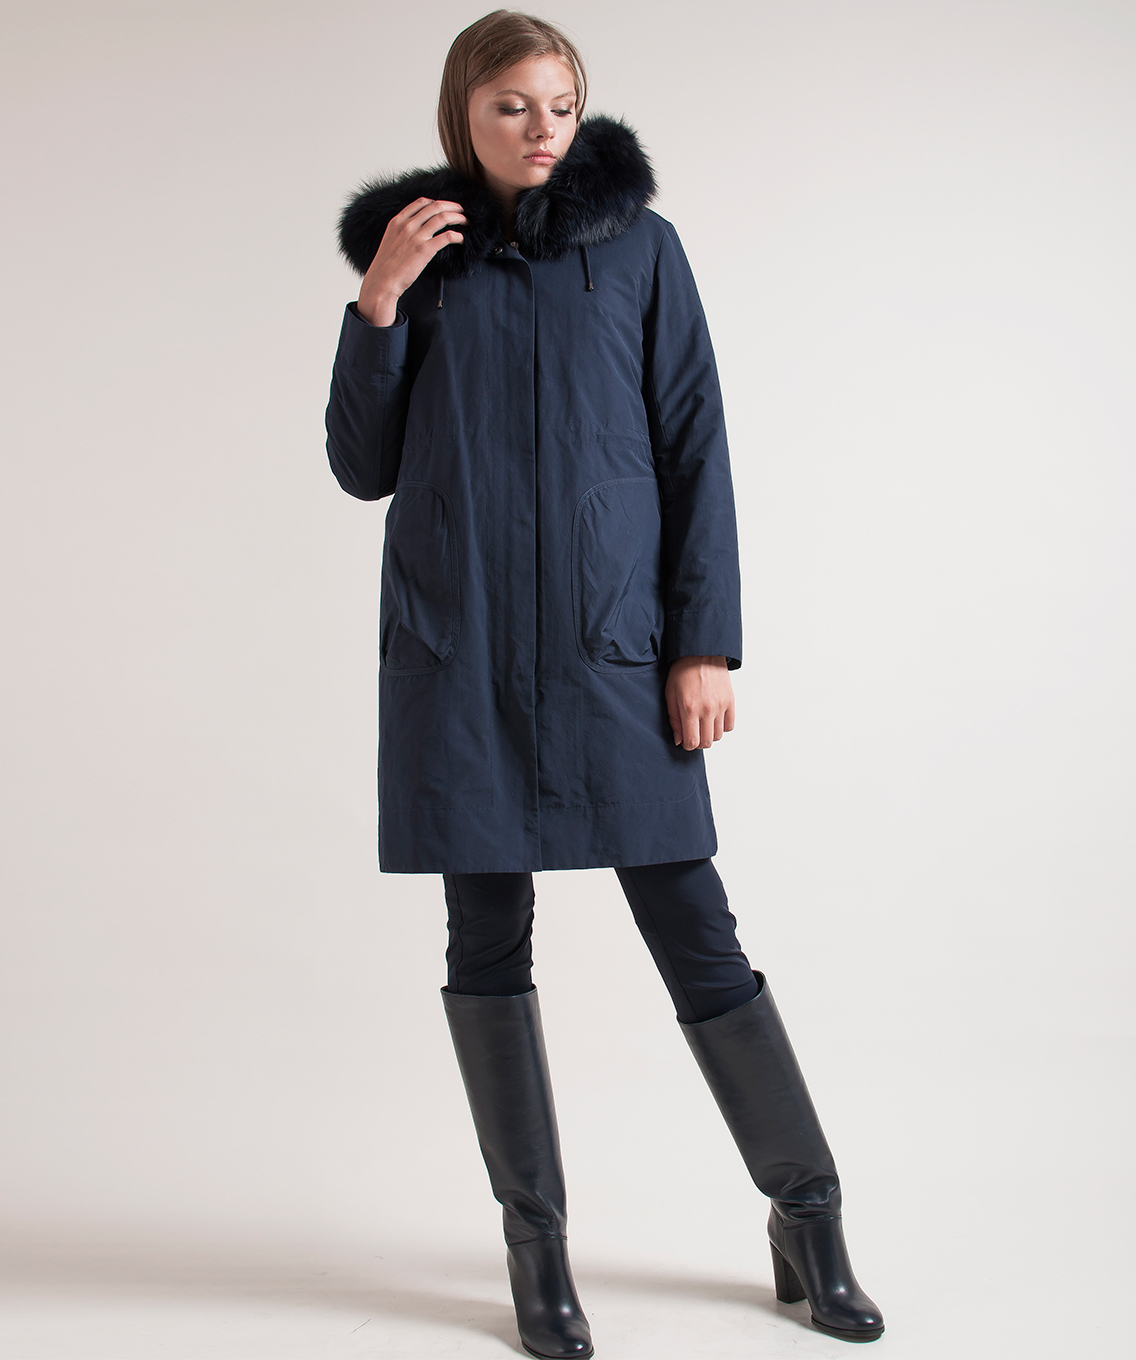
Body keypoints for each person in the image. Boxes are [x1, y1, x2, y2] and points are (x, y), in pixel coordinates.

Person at [324, 10, 883, 1358]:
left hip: (612, 653)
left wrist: (704, 644)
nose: (540, 130)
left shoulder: (641, 249)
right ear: (462, 113)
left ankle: (809, 1216)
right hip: (463, 658)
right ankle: (539, 1254)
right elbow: (361, 466)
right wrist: (378, 302)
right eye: (511, 106)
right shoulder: (419, 255)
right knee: (485, 947)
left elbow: (696, 446)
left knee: (699, 933)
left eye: (560, 105)